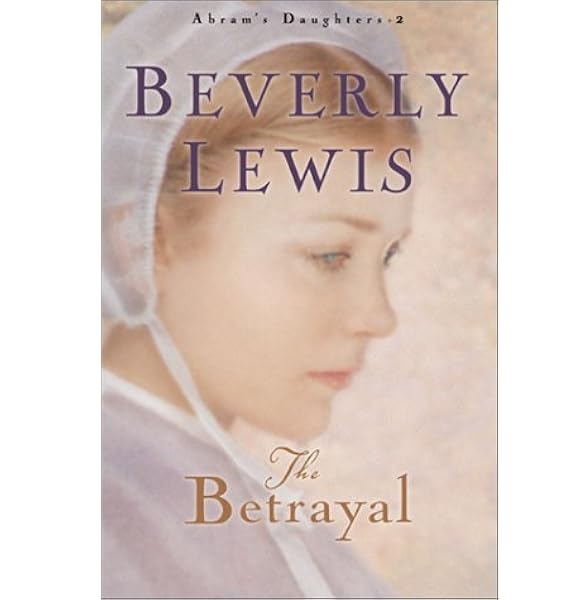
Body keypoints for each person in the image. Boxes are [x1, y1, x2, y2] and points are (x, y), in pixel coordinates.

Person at [102, 1, 419, 597]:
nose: (380, 317)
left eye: (387, 256)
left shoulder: (262, 511)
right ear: (146, 240)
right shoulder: (103, 512)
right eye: (329, 255)